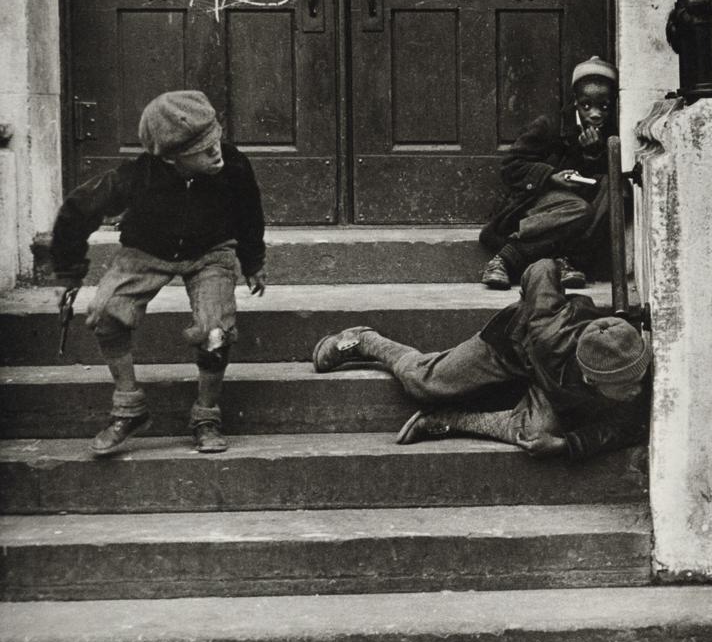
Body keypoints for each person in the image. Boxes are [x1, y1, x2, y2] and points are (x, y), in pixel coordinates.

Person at [50, 90, 267, 456]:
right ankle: (129, 408)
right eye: (203, 149)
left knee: (215, 330)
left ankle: (206, 415)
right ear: (171, 158)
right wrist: (70, 270)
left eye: (215, 139)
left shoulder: (234, 165)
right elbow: (77, 210)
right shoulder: (136, 177)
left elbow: (250, 213)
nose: (216, 151)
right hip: (147, 251)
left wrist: (253, 261)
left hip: (210, 252)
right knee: (105, 311)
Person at [312, 258, 650, 460]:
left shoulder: (633, 367)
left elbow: (629, 427)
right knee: (422, 382)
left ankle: (448, 421)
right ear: (593, 379)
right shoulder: (549, 332)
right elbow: (541, 268)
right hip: (512, 348)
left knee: (536, 438)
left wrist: (568, 446)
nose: (638, 389)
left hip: (550, 385)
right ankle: (364, 340)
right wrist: (534, 307)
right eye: (626, 385)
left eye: (638, 376)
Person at [478, 56, 622, 290]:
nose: (595, 114)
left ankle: (568, 261)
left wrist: (593, 154)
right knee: (578, 209)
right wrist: (550, 176)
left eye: (603, 106)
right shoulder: (551, 125)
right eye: (587, 105)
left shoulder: (612, 130)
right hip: (539, 202)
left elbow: (597, 182)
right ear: (575, 102)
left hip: (575, 207)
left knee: (614, 185)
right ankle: (505, 257)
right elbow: (511, 165)